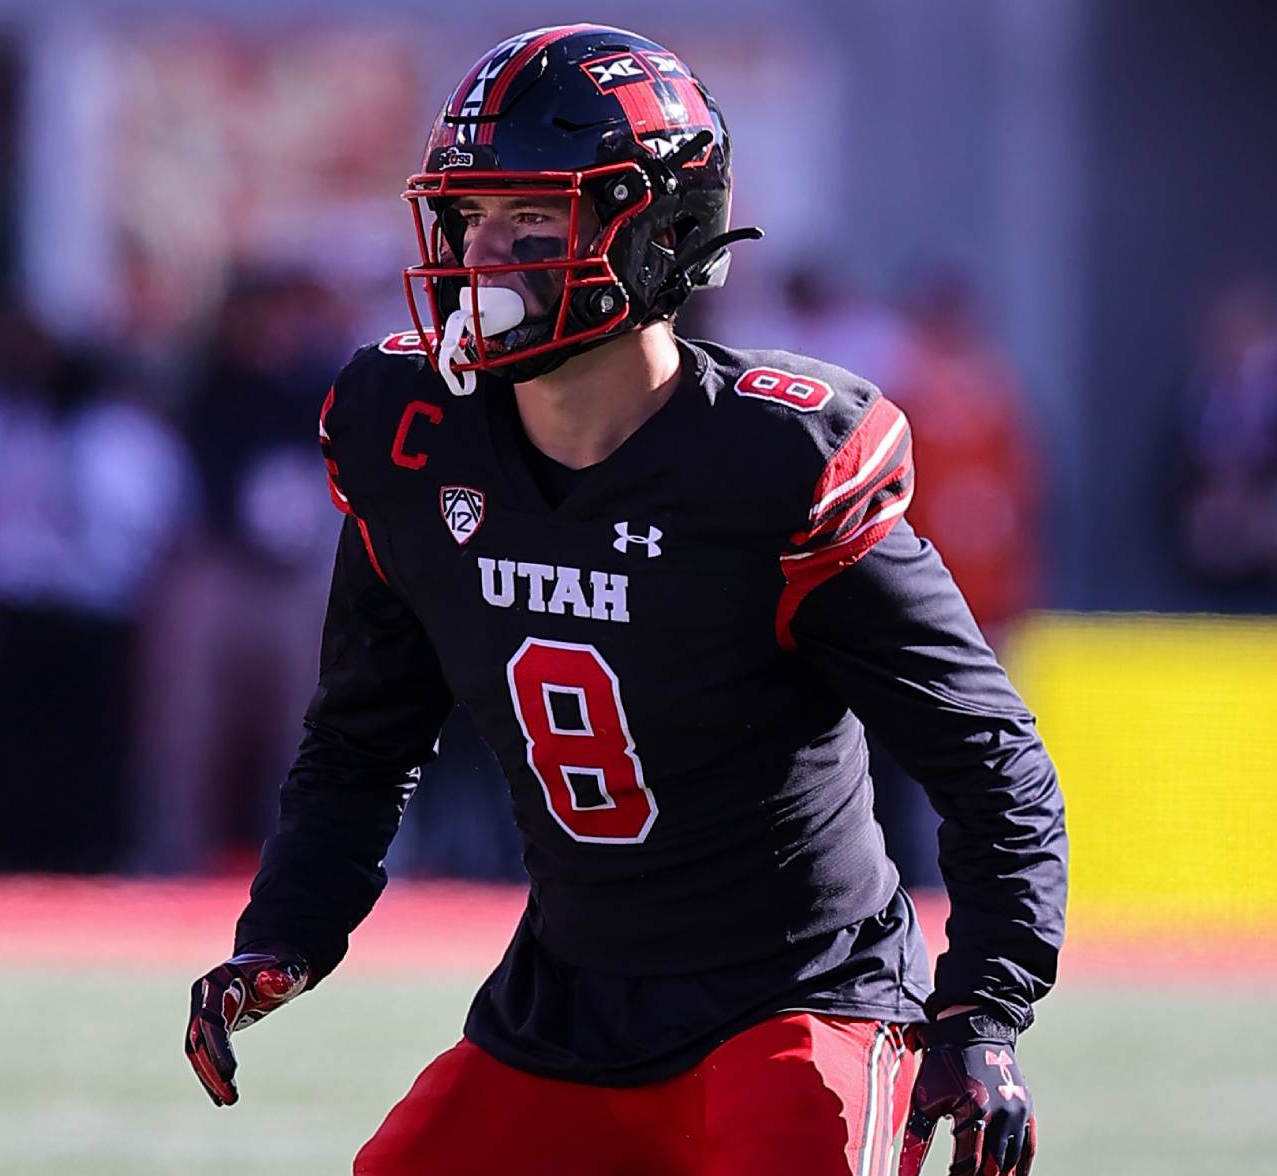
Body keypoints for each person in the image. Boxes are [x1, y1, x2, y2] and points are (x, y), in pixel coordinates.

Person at [185, 25, 1066, 1176]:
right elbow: (363, 735)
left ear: (655, 234)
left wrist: (981, 1013)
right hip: (567, 1004)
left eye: (531, 221)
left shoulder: (772, 462)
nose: (482, 256)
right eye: (469, 218)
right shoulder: (411, 433)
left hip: (795, 1001)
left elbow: (991, 759)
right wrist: (288, 932)